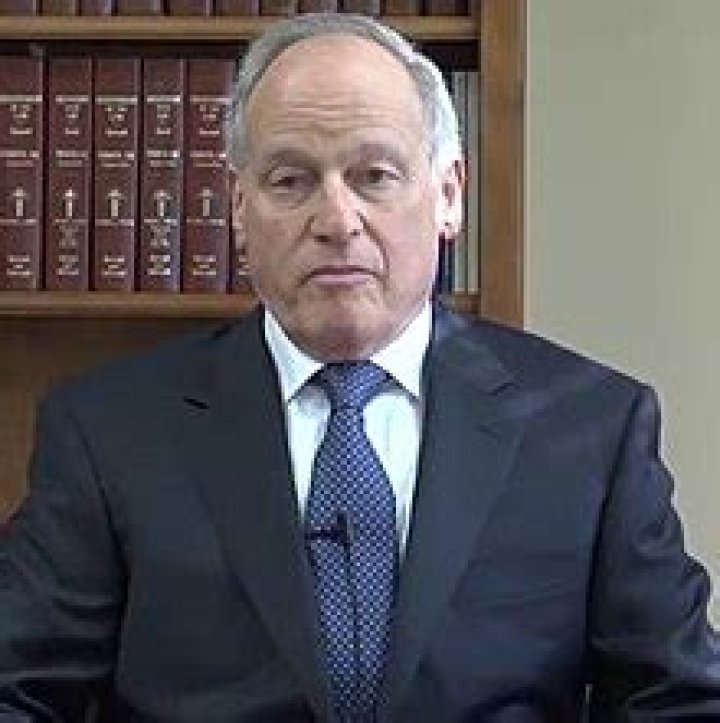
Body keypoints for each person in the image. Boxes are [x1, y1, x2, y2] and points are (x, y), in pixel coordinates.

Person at [1, 11, 719, 722]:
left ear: (448, 195)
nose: (337, 220)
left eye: (374, 175)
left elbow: (679, 701)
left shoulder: (592, 429)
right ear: (238, 209)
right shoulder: (108, 432)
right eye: (291, 180)